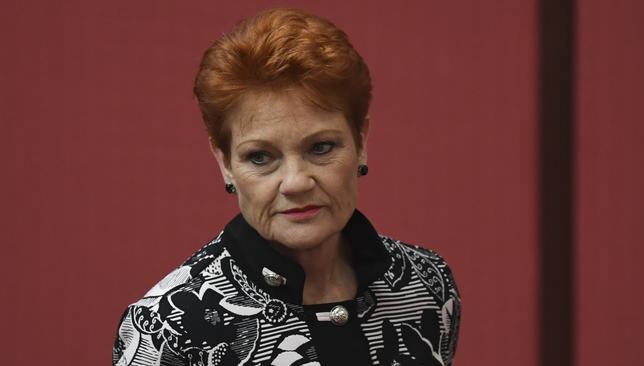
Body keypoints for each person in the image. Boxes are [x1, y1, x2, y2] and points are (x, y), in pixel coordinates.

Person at [113, 8, 460, 366]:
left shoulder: (426, 284)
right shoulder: (165, 329)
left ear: (361, 141)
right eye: (261, 157)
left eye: (321, 147)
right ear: (225, 163)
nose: (295, 183)